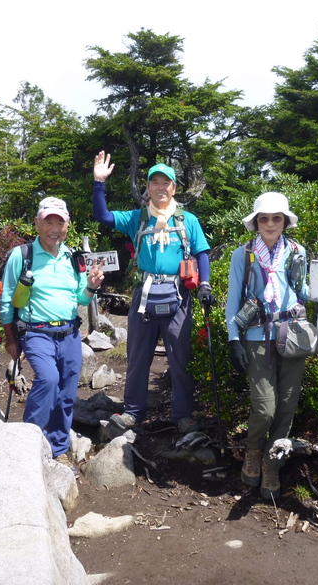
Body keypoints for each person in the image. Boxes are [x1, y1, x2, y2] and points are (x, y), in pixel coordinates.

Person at [92, 151, 215, 437]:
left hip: (178, 295)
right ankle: (133, 411)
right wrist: (99, 183)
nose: (161, 187)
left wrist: (205, 284)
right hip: (144, 295)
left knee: (180, 358)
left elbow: (202, 253)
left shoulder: (188, 220)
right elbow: (102, 215)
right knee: (137, 356)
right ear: (147, 187)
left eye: (166, 183)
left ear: (174, 188)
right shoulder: (138, 217)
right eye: (154, 182)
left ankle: (182, 415)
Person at [0, 197, 105, 463]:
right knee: (47, 380)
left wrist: (91, 286)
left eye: (60, 222)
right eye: (49, 221)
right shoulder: (22, 255)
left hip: (70, 333)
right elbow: (7, 298)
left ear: (68, 226)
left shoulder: (73, 257)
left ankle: (57, 448)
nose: (54, 228)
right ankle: (30, 441)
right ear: (37, 224)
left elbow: (81, 299)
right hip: (36, 333)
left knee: (68, 393)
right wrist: (10, 338)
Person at [224, 192, 310, 501]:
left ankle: (272, 463)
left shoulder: (298, 252)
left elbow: (305, 292)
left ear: (286, 221)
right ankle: (253, 451)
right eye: (264, 218)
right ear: (256, 223)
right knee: (265, 406)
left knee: (287, 405)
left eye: (277, 218)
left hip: (292, 334)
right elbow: (233, 302)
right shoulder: (243, 255)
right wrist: (234, 340)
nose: (271, 224)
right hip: (257, 337)